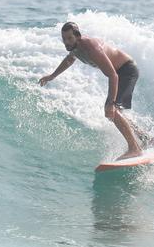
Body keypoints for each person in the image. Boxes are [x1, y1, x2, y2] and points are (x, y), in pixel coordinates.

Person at [39, 21, 144, 160]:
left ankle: (135, 148)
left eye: (69, 38)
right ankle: (146, 139)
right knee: (115, 113)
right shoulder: (75, 48)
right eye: (64, 39)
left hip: (126, 71)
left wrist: (111, 103)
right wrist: (52, 76)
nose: (66, 42)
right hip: (120, 73)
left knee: (112, 109)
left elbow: (113, 75)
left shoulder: (91, 48)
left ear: (78, 36)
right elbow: (69, 60)